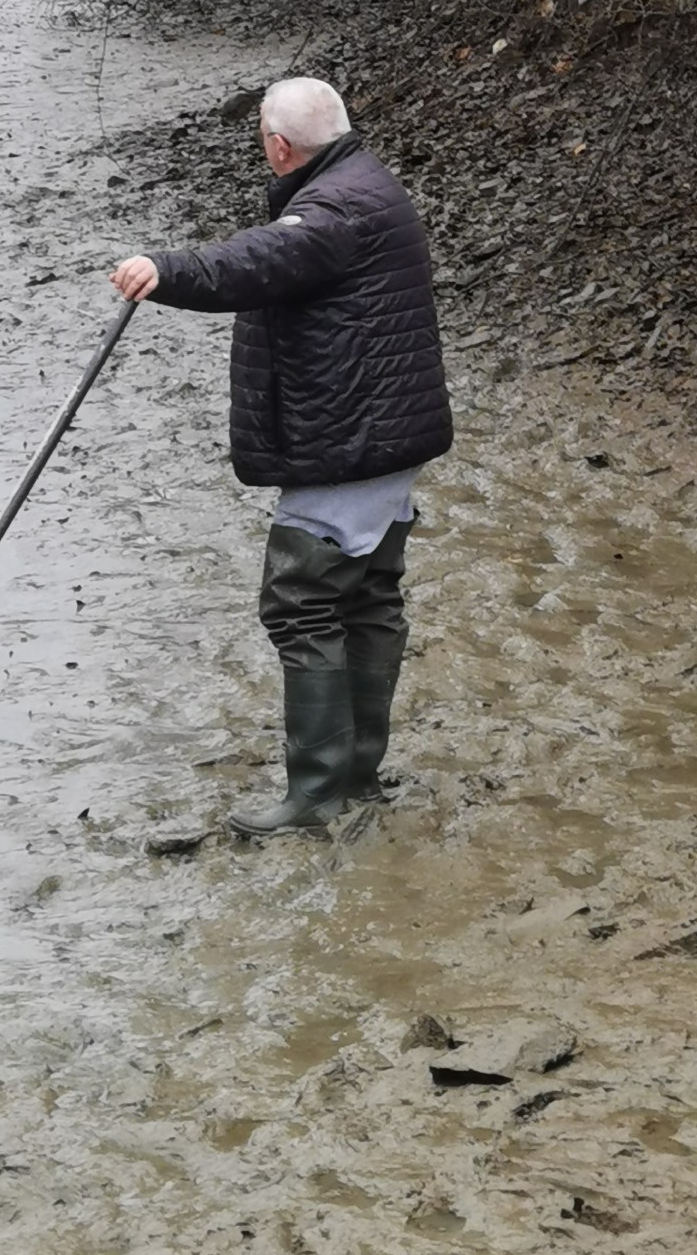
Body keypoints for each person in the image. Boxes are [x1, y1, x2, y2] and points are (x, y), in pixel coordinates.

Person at [110, 75, 452, 837]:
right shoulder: (368, 183)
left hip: (351, 444)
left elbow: (259, 260)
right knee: (366, 600)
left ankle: (318, 793)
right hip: (384, 438)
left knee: (300, 603)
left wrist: (166, 269)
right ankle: (356, 774)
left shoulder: (332, 210)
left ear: (277, 147)